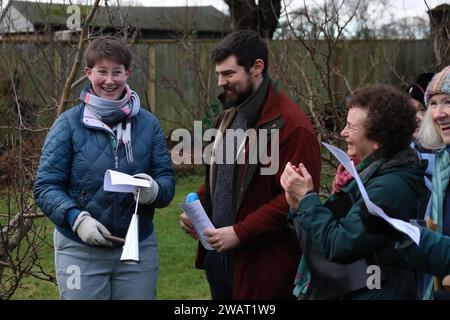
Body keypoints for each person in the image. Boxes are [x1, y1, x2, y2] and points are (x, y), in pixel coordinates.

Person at [179, 30, 321, 300]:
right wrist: (198, 205)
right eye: (219, 74)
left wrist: (240, 233)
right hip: (219, 266)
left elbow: (296, 199)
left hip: (264, 273)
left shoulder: (293, 126)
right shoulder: (231, 115)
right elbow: (224, 177)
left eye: (229, 74)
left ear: (257, 68)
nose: (221, 82)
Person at [33, 36, 175, 300]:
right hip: (79, 247)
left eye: (117, 72)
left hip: (137, 248)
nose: (109, 80)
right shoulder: (68, 124)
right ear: (88, 73)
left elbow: (166, 181)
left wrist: (154, 191)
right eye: (101, 71)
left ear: (127, 73)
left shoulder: (149, 124)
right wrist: (77, 219)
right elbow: (45, 186)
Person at [281, 84, 426, 299]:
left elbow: (340, 245)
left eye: (351, 127)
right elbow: (321, 240)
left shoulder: (390, 188)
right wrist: (298, 207)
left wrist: (308, 199)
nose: (343, 132)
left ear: (378, 140)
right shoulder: (364, 175)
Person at [416, 65, 450, 298]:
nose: (438, 113)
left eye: (447, 101)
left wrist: (416, 239)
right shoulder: (442, 164)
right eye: (433, 104)